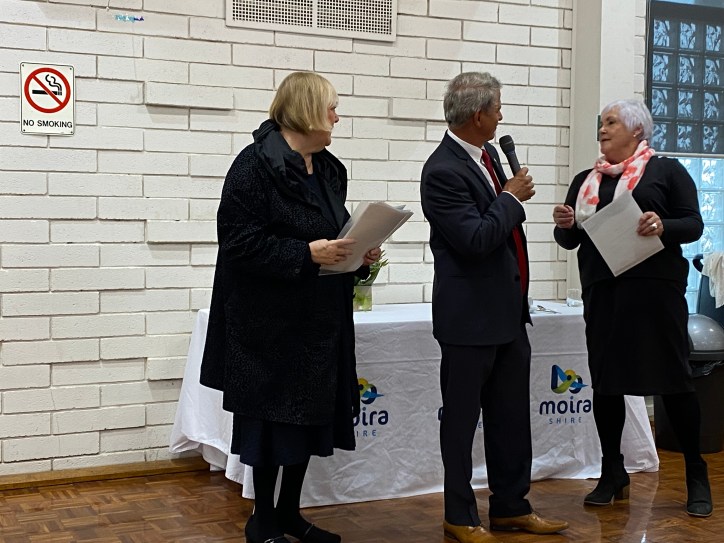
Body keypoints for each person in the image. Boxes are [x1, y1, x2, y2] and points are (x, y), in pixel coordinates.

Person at [200, 71, 381, 543]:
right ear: (306, 110)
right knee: (271, 427)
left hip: (319, 322)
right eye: (332, 108)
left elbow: (334, 234)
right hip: (268, 327)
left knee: (305, 423)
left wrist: (356, 254)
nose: (337, 117)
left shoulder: (328, 169)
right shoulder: (253, 166)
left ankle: (289, 514)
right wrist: (306, 254)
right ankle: (261, 521)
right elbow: (238, 243)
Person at [420, 71, 569, 543]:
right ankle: (459, 516)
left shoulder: (487, 156)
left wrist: (506, 198)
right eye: (498, 108)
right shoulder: (442, 170)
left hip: (508, 314)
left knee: (511, 419)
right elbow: (475, 239)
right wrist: (509, 197)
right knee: (461, 423)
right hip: (468, 320)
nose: (502, 116)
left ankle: (511, 506)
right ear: (478, 115)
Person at [553, 99, 712, 517]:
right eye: (601, 123)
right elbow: (569, 241)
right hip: (604, 293)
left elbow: (693, 224)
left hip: (655, 294)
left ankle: (696, 473)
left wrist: (663, 224)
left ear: (637, 130)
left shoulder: (666, 171)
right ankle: (612, 472)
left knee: (674, 382)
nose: (602, 130)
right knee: (607, 384)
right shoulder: (585, 180)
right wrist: (565, 225)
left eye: (611, 123)